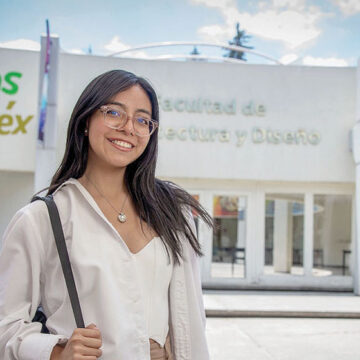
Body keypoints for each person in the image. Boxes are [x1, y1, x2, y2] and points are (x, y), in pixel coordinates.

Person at [0, 69, 213, 360]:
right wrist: (55, 352)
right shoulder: (41, 220)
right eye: (114, 112)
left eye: (142, 120)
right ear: (85, 121)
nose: (129, 128)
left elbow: (192, 317)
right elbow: (5, 327)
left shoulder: (172, 211)